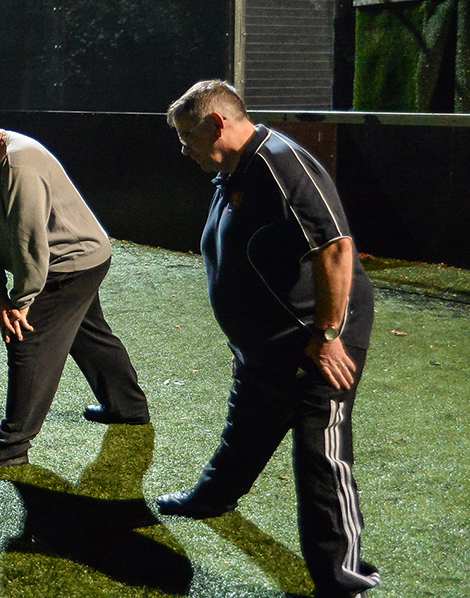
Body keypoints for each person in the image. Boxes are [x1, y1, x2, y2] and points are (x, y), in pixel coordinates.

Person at [160, 80, 379, 598]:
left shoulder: (283, 163)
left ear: (217, 123)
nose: (184, 149)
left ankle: (342, 574)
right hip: (265, 342)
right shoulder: (231, 170)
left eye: (187, 136)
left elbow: (336, 249)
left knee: (320, 452)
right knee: (249, 423)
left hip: (314, 339)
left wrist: (327, 335)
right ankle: (213, 498)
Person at [0, 104, 151, 474]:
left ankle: (11, 445)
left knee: (27, 340)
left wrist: (21, 304)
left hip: (73, 262)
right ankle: (127, 406)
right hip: (59, 261)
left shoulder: (21, 166)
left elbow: (29, 244)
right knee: (88, 335)